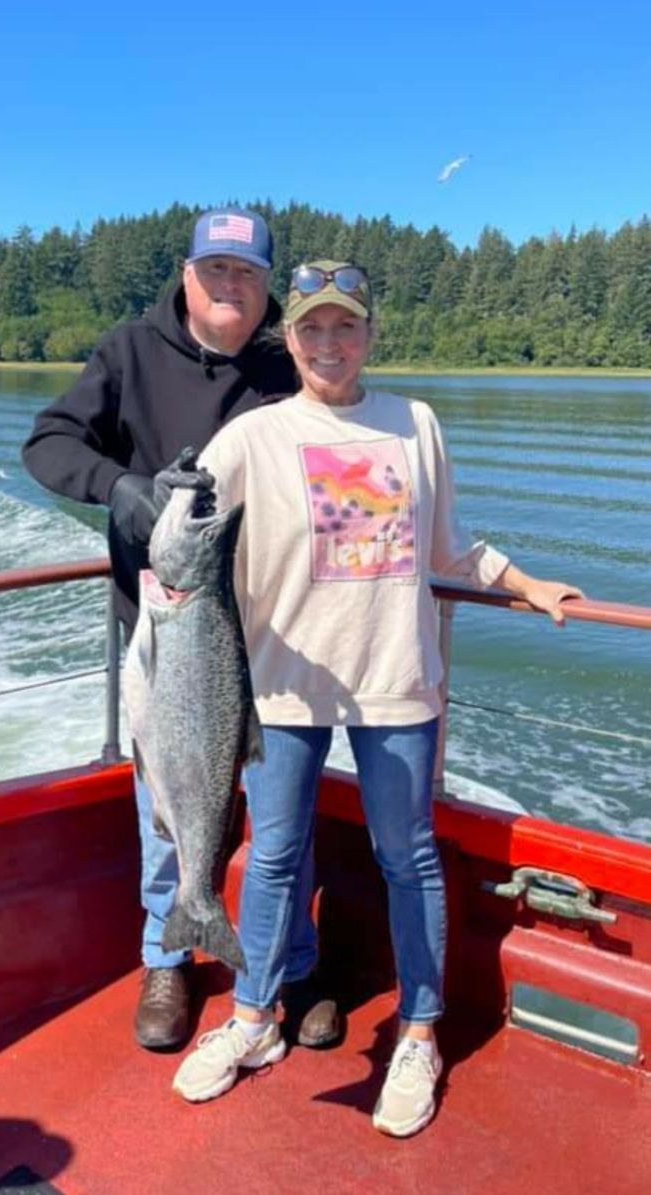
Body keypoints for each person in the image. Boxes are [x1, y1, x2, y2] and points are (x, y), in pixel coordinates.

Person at [169, 261, 583, 1134]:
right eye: (312, 328)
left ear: (369, 335)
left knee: (410, 858)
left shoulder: (414, 423)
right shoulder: (251, 436)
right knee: (273, 855)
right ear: (289, 339)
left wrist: (530, 584)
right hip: (284, 685)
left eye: (345, 326)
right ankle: (253, 1017)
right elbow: (183, 526)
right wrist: (153, 502)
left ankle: (419, 1032)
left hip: (395, 679)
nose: (329, 344)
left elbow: (450, 547)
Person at [22, 212, 339, 1053]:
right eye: (217, 269)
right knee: (164, 805)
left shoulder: (287, 366)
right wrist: (119, 487)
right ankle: (167, 956)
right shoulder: (128, 352)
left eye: (248, 273)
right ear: (187, 275)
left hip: (280, 636)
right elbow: (47, 443)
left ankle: (293, 962)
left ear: (266, 289)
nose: (231, 285)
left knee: (284, 819)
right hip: (168, 633)